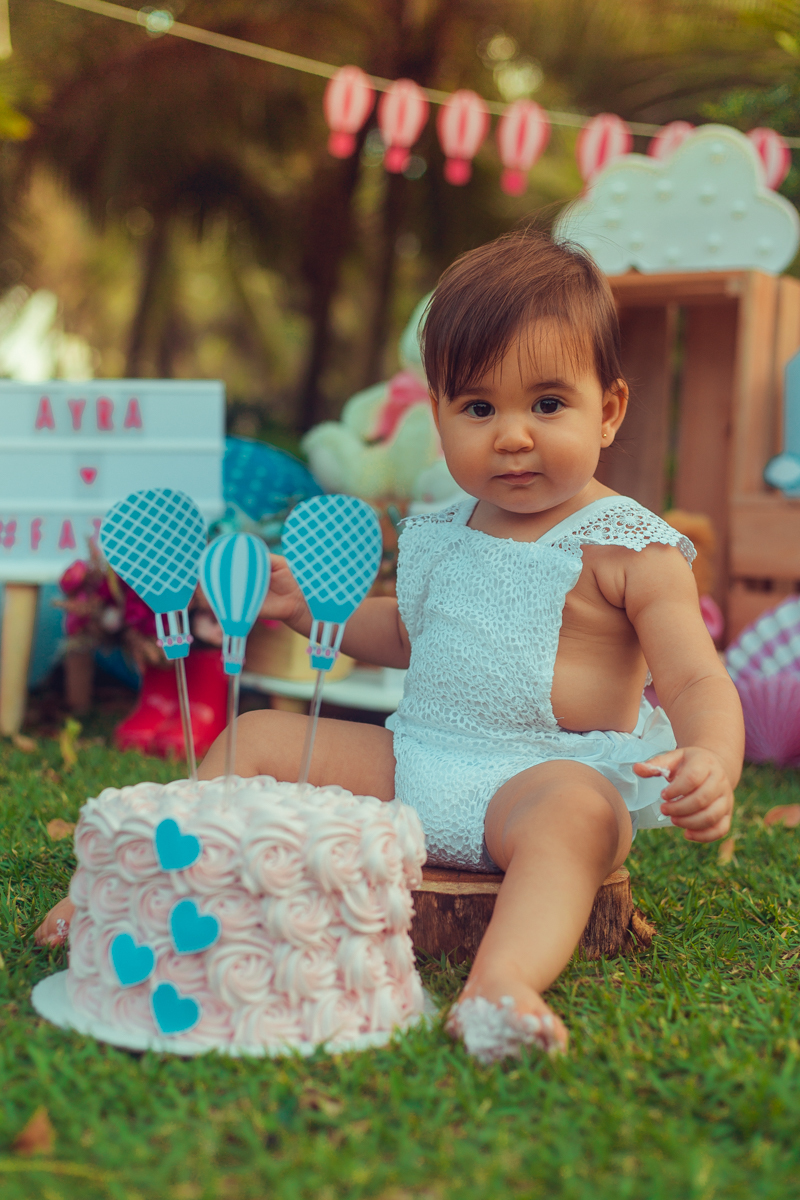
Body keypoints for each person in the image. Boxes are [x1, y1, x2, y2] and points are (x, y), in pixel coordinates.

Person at [37, 231, 743, 1063]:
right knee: (260, 733)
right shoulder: (443, 529)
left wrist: (712, 758)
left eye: (548, 405)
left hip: (536, 776)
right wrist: (310, 609)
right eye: (479, 408)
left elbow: (695, 673)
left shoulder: (628, 544)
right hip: (413, 764)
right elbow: (410, 636)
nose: (513, 435)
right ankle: (141, 892)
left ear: (610, 409)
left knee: (580, 816)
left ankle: (500, 982)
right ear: (438, 416)